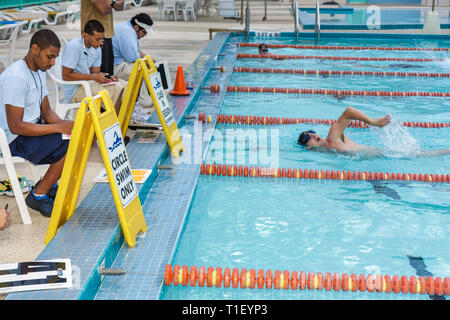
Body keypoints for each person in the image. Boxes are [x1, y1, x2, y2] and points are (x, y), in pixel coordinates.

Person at [0, 29, 73, 217]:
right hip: (13, 138)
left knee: (77, 137)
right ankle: (38, 195)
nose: (52, 63)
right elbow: (16, 126)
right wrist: (60, 128)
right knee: (69, 144)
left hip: (29, 130)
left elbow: (47, 111)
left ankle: (48, 185)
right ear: (34, 49)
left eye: (55, 58)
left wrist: (67, 126)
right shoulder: (17, 77)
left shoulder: (38, 70)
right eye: (50, 57)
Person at [298, 106, 450, 157]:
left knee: (422, 155)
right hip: (382, 157)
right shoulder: (329, 151)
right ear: (308, 147)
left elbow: (349, 111)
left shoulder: (332, 138)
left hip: (386, 155)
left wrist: (372, 122)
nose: (313, 134)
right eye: (307, 137)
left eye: (311, 131)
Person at [62, 19, 127, 114]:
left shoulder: (96, 48)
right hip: (74, 90)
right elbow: (66, 76)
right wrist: (95, 77)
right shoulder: (74, 46)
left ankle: (119, 121)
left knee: (126, 86)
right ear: (86, 36)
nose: (101, 43)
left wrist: (108, 78)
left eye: (102, 39)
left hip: (87, 83)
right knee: (117, 89)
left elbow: (95, 74)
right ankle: (115, 124)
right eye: (97, 39)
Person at [112, 13, 155, 109]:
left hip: (118, 63)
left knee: (147, 65)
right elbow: (132, 58)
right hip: (115, 67)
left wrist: (149, 59)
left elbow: (137, 50)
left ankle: (143, 97)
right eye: (144, 32)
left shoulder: (128, 27)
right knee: (141, 69)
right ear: (136, 27)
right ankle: (142, 101)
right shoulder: (127, 32)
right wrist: (147, 63)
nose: (145, 35)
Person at [81, 0, 124, 75]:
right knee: (99, 75)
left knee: (108, 75)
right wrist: (113, 3)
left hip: (106, 35)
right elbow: (104, 9)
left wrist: (112, 3)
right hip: (94, 36)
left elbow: (120, 7)